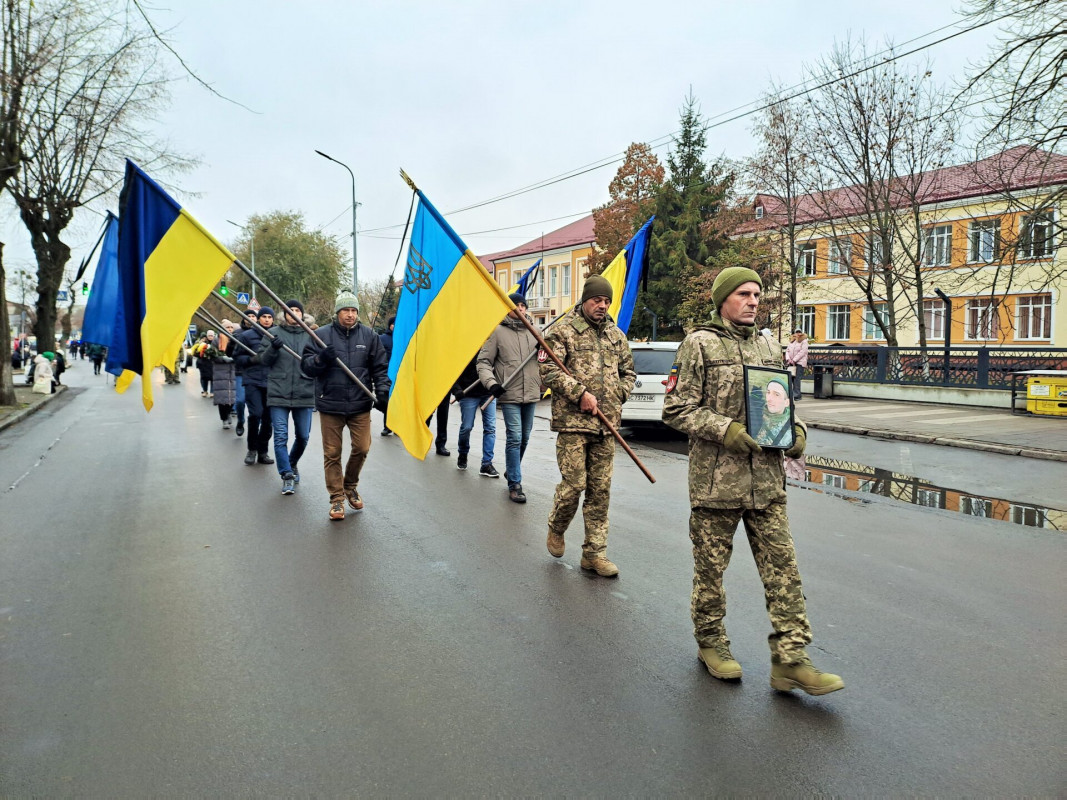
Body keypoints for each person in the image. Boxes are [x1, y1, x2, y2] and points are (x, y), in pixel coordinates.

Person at [662, 266, 843, 697]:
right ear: (723, 299)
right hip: (716, 484)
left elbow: (781, 400)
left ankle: (791, 659)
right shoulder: (699, 344)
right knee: (711, 571)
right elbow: (676, 408)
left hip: (766, 482)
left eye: (757, 294)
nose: (753, 300)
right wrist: (724, 429)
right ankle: (711, 642)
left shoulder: (768, 344)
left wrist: (796, 431)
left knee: (784, 572)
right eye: (743, 293)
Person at [538, 275, 635, 577]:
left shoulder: (616, 336)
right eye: (597, 300)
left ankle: (595, 554)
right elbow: (547, 369)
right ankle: (557, 526)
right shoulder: (562, 331)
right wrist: (579, 394)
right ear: (585, 300)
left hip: (607, 426)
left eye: (606, 301)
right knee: (574, 486)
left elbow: (629, 372)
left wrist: (619, 393)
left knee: (600, 491)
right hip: (573, 424)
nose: (602, 306)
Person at [301, 291, 390, 521]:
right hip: (330, 403)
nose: (350, 315)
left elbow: (380, 367)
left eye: (353, 311)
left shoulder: (370, 336)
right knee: (332, 453)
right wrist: (321, 359)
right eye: (345, 310)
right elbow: (307, 367)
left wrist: (382, 391)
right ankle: (337, 499)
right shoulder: (320, 335)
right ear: (337, 312)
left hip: (360, 403)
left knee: (362, 448)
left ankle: (350, 485)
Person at [477, 292, 540, 503]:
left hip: (531, 392)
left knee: (525, 437)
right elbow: (483, 362)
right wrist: (492, 383)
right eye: (516, 306)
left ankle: (513, 469)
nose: (520, 309)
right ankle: (515, 483)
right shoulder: (497, 332)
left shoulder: (536, 332)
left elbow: (548, 359)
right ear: (508, 308)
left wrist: (545, 351)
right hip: (509, 393)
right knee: (514, 437)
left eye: (523, 305)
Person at [254, 299, 314, 496]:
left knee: (303, 437)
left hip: (304, 391)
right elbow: (263, 360)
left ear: (302, 314)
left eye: (297, 310)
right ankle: (286, 474)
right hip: (278, 392)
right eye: (290, 310)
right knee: (280, 436)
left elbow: (317, 362)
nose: (294, 313)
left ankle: (292, 461)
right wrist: (273, 347)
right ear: (284, 314)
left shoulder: (311, 334)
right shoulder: (274, 333)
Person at [235, 308, 275, 466]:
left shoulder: (277, 335)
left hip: (272, 382)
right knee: (256, 414)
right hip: (253, 380)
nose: (266, 319)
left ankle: (263, 452)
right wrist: (252, 360)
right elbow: (238, 358)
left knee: (268, 419)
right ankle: (252, 449)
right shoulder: (246, 336)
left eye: (269, 317)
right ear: (258, 319)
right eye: (263, 317)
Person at [452, 355, 497, 476]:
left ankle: (486, 464)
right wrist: (456, 390)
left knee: (490, 428)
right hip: (468, 393)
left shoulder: (490, 346)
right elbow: (452, 369)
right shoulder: (465, 346)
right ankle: (463, 453)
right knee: (466, 427)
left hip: (488, 392)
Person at [209, 323, 237, 429]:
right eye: (227, 327)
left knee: (232, 396)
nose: (229, 329)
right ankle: (224, 418)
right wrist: (222, 359)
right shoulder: (216, 341)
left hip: (233, 370)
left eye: (231, 327)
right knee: (222, 397)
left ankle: (229, 412)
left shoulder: (236, 339)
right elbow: (212, 355)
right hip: (221, 371)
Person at [754, 377, 793, 447]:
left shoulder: (790, 427)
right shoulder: (755, 414)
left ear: (786, 402)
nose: (769, 399)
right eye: (768, 392)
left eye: (776, 394)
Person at [379, 315, 395, 436]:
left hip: (401, 375)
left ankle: (399, 426)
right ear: (390, 325)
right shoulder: (383, 339)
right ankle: (387, 425)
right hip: (387, 374)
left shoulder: (404, 338)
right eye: (393, 323)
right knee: (388, 401)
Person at [785, 329, 808, 402]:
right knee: (790, 379)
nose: (798, 333)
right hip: (791, 363)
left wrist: (794, 360)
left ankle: (797, 395)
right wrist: (788, 359)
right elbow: (787, 351)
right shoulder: (792, 341)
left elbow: (803, 352)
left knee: (797, 379)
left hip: (799, 363)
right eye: (796, 332)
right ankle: (791, 394)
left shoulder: (804, 341)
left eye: (799, 332)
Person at [195, 331, 215, 396]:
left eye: (211, 335)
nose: (210, 337)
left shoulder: (216, 343)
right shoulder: (202, 343)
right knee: (204, 378)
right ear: (207, 336)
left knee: (213, 378)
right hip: (203, 363)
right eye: (209, 335)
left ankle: (212, 391)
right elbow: (196, 352)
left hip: (212, 363)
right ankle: (204, 391)